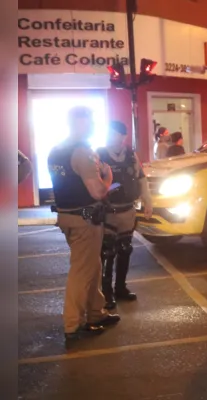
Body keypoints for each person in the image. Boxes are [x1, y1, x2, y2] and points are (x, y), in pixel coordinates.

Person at [47, 106, 120, 341]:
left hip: (68, 217)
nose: (92, 127)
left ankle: (96, 313)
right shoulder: (82, 152)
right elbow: (98, 191)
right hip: (85, 219)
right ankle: (73, 324)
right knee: (82, 271)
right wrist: (108, 178)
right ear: (81, 123)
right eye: (90, 122)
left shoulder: (56, 150)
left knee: (92, 266)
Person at [96, 121, 153, 310]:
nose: (111, 137)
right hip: (109, 211)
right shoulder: (100, 155)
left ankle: (120, 288)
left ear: (122, 136)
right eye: (109, 133)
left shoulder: (131, 155)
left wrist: (148, 201)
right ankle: (106, 292)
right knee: (107, 252)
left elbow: (141, 179)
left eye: (114, 134)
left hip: (128, 209)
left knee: (125, 249)